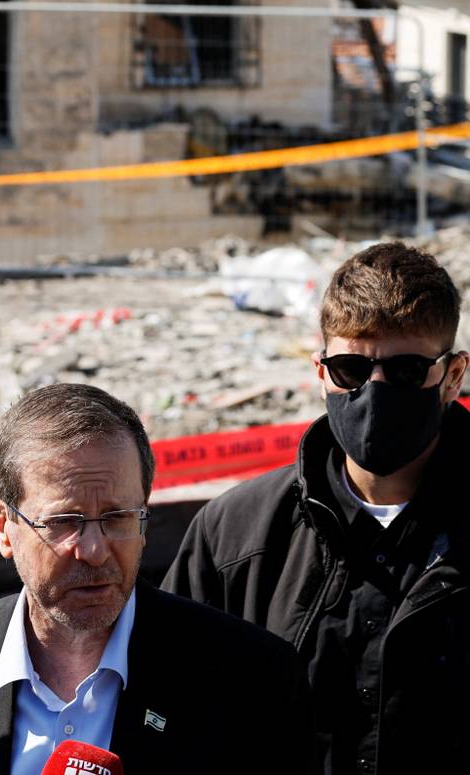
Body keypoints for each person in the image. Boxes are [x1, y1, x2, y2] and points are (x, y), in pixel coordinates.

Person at [0, 382, 311, 774]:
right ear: (4, 526)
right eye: (64, 522)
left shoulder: (251, 678)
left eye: (117, 518)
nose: (94, 551)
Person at [165, 240, 470, 774]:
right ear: (320, 370)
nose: (374, 393)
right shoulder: (237, 533)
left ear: (453, 375)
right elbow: (170, 703)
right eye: (350, 370)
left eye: (405, 372)